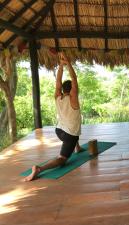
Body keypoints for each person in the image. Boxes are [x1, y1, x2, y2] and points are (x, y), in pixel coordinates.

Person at [24, 52, 82, 181]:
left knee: (74, 129)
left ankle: (77, 147)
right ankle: (40, 169)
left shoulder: (58, 97)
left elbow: (57, 82)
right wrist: (69, 64)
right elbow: (74, 79)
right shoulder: (73, 99)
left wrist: (61, 66)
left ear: (63, 89)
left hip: (59, 131)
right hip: (68, 135)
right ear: (72, 89)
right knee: (62, 159)